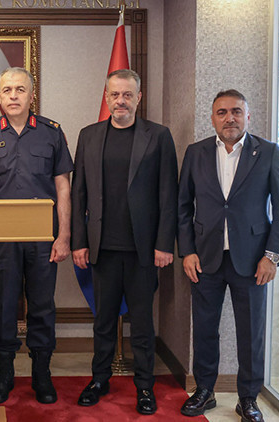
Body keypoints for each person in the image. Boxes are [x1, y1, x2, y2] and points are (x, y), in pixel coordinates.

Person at [0, 67, 73, 405]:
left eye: (20, 90)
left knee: (42, 306)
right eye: (7, 90)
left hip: (43, 239)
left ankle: (42, 374)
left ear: (31, 95)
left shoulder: (51, 133)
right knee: (4, 306)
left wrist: (64, 235)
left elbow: (63, 189)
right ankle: (4, 373)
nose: (13, 96)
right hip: (0, 239)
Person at [178, 89, 279, 422]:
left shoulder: (268, 153)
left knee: (251, 332)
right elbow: (182, 207)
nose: (230, 118)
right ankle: (204, 391)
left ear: (247, 116)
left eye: (236, 112)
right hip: (205, 259)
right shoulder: (196, 152)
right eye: (222, 112)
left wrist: (272, 256)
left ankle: (248, 398)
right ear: (213, 118)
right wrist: (187, 251)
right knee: (204, 329)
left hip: (254, 261)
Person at [71, 69, 178, 415]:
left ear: (138, 98)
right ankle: (99, 380)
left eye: (127, 95)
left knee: (143, 324)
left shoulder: (158, 136)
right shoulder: (88, 136)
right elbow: (78, 193)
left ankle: (144, 386)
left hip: (143, 250)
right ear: (106, 97)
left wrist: (165, 244)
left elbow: (168, 194)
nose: (121, 101)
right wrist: (78, 242)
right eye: (115, 94)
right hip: (102, 247)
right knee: (103, 321)